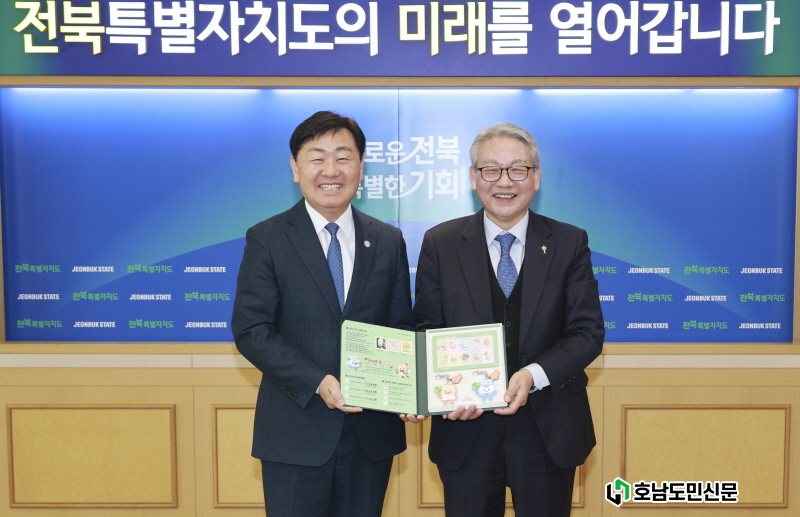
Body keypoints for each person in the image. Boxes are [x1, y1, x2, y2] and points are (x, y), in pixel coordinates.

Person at [232, 111, 419, 517]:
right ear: (295, 168)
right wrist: (317, 381)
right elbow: (251, 329)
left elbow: (401, 328)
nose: (331, 170)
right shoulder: (268, 238)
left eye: (343, 157)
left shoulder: (388, 240)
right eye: (317, 158)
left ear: (361, 167)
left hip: (371, 434)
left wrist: (412, 389)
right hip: (296, 432)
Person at [413, 122, 604, 517]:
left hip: (547, 428)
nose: (504, 181)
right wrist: (448, 391)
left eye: (518, 169)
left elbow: (587, 333)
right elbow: (426, 329)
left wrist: (533, 375)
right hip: (466, 429)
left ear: (536, 177)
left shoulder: (569, 242)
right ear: (473, 177)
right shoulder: (440, 243)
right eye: (491, 169)